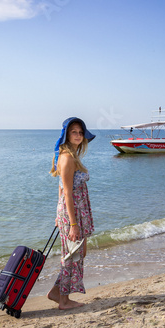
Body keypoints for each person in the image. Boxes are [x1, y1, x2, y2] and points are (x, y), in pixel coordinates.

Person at [47, 117, 95, 310]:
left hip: (72, 211)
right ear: (67, 134)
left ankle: (56, 292)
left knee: (77, 252)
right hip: (72, 212)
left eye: (80, 132)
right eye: (74, 132)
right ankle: (64, 300)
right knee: (72, 254)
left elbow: (60, 188)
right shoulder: (67, 158)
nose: (78, 135)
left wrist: (58, 215)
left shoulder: (71, 155)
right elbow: (66, 192)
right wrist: (72, 224)